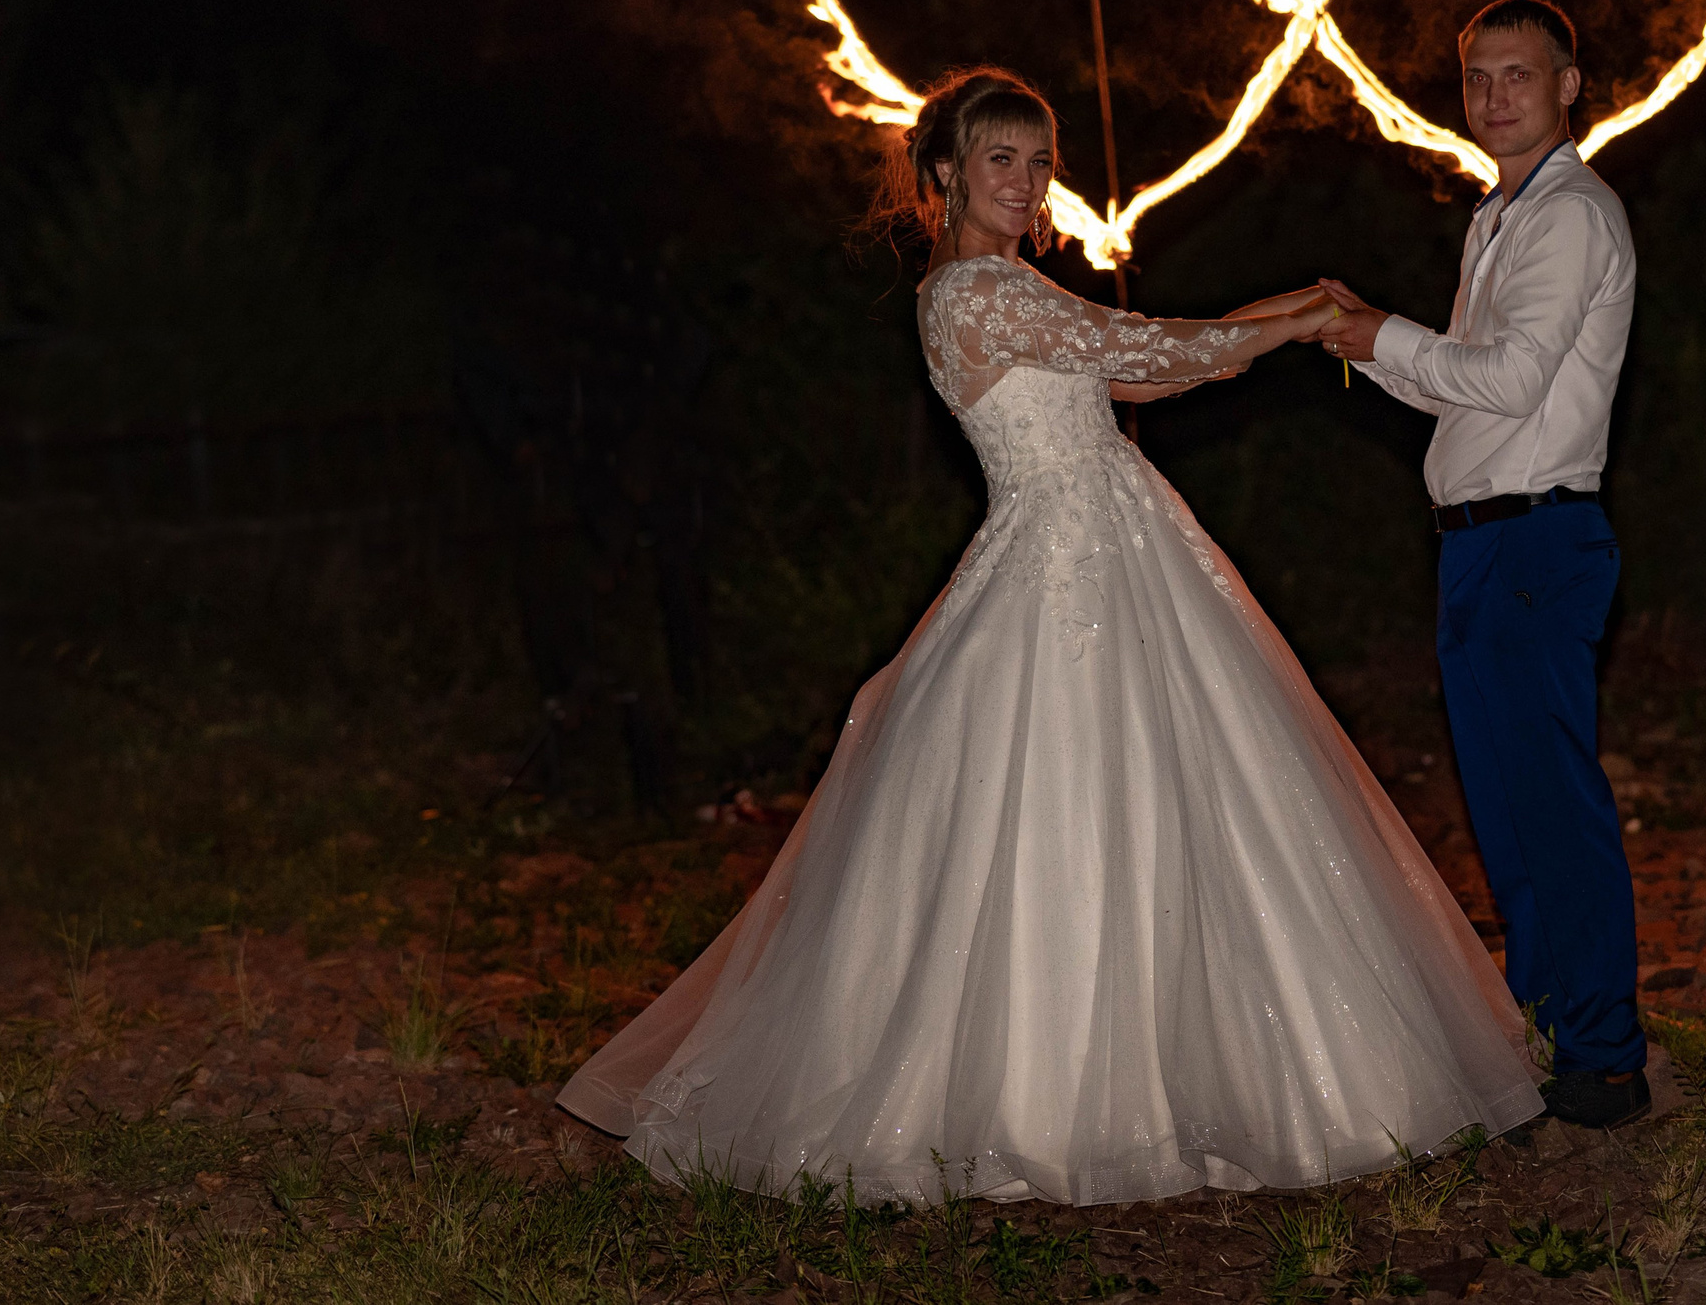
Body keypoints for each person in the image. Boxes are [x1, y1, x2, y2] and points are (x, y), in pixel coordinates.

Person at [558, 66, 1544, 1204]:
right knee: (1066, 801)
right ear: (945, 173)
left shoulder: (1012, 285)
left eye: (1037, 159)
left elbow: (1144, 363)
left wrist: (1282, 313)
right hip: (1063, 559)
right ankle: (1056, 1098)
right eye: (999, 159)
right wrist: (1298, 320)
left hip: (1120, 545)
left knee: (1186, 797)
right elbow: (1152, 352)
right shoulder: (974, 290)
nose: (1026, 181)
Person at [1316, 0, 1647, 1129]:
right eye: (1478, 78)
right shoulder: (1500, 215)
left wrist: (1384, 340)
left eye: (1519, 75)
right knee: (1508, 810)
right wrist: (1367, 334)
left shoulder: (1569, 215)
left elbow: (1506, 381)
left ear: (1568, 85)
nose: (1496, 96)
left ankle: (1602, 1053)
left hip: (1534, 538)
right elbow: (1464, 376)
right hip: (1484, 543)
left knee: (1550, 801)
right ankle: (1549, 1033)